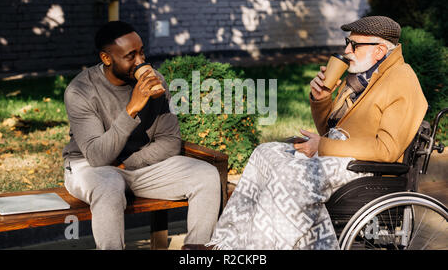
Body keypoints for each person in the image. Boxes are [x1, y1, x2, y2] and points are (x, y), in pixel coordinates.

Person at [196, 16, 428, 250]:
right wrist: (321, 99)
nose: (347, 51)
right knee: (264, 153)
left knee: (290, 175)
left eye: (354, 45)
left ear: (379, 51)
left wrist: (322, 146)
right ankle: (225, 245)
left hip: (369, 170)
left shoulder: (401, 80)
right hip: (343, 157)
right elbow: (330, 130)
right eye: (347, 42)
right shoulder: (362, 78)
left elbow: (386, 150)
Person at [62, 21, 220, 250]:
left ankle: (196, 252)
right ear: (107, 59)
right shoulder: (81, 91)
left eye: (142, 52)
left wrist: (129, 163)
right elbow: (97, 156)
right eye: (131, 56)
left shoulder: (155, 80)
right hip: (90, 167)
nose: (141, 61)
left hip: (139, 164)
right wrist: (131, 109)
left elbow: (170, 141)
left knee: (205, 175)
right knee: (108, 186)